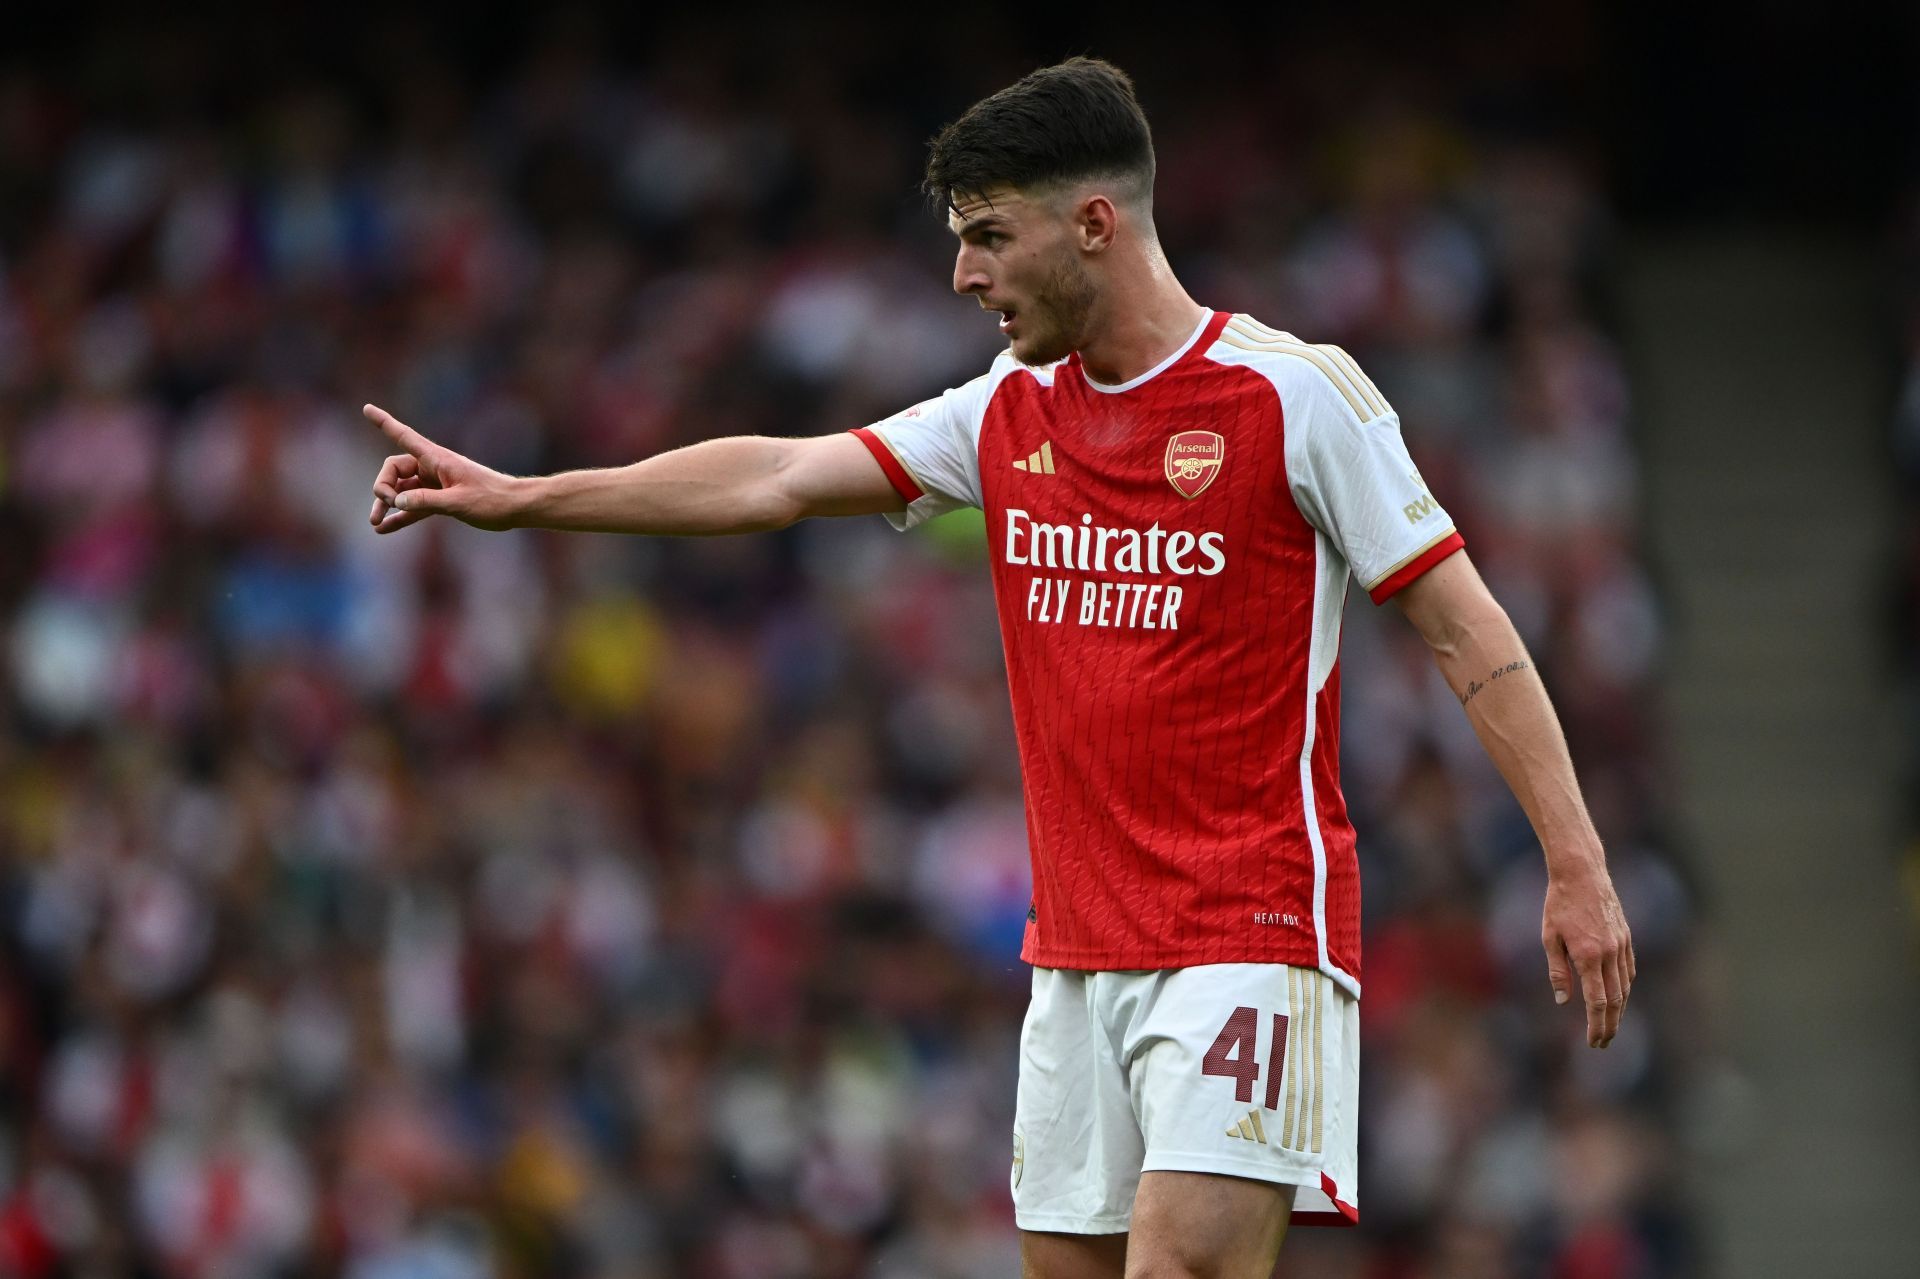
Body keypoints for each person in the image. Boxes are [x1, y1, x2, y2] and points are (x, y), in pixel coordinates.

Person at [363, 56, 1633, 1279]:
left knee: (1183, 1265)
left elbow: (1470, 629)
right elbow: (774, 474)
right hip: (1075, 950)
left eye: (987, 235)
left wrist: (1573, 861)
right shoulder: (1004, 411)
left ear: (1093, 223)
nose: (964, 274)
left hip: (1250, 929)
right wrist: (523, 496)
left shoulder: (1297, 400)